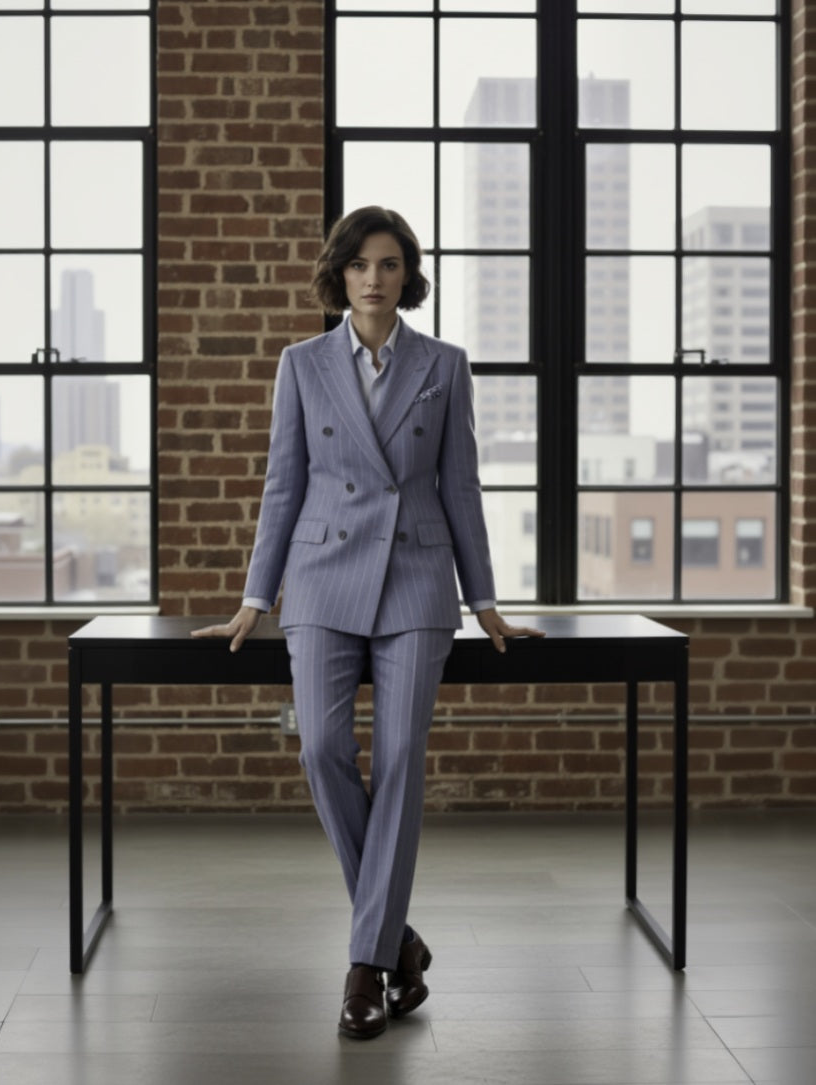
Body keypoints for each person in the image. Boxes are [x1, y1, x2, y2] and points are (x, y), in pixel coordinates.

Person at [192, 206, 544, 1040]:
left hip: (418, 579)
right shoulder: (301, 363)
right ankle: (398, 940)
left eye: (389, 264)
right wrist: (255, 595)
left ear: (407, 275)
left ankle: (364, 968)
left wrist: (484, 599)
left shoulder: (445, 364)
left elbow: (462, 486)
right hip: (320, 578)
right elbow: (283, 483)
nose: (374, 278)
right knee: (320, 748)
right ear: (339, 274)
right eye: (358, 264)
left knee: (398, 760)